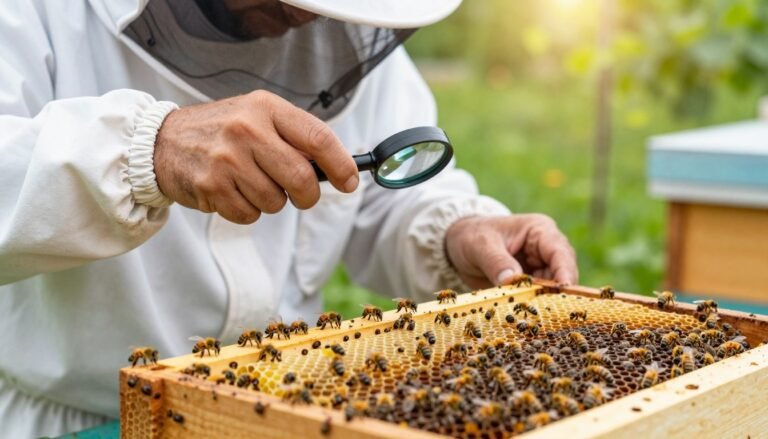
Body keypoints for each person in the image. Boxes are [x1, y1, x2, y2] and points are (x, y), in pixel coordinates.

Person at [0, 0, 577, 436]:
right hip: (80, 421)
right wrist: (149, 151)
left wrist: (457, 232)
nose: (304, 22)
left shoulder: (339, 26)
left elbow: (379, 188)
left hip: (281, 406)